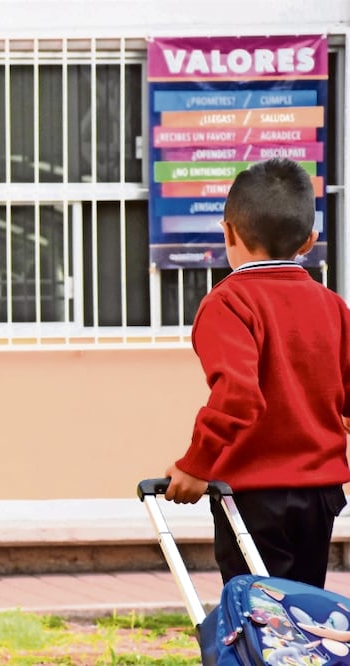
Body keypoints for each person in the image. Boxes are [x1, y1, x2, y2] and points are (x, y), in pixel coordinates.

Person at [164, 158, 350, 589]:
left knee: (260, 618)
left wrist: (196, 464)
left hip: (252, 496)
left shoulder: (228, 304)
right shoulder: (332, 307)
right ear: (309, 240)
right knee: (301, 618)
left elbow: (238, 394)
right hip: (318, 495)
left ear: (227, 231)